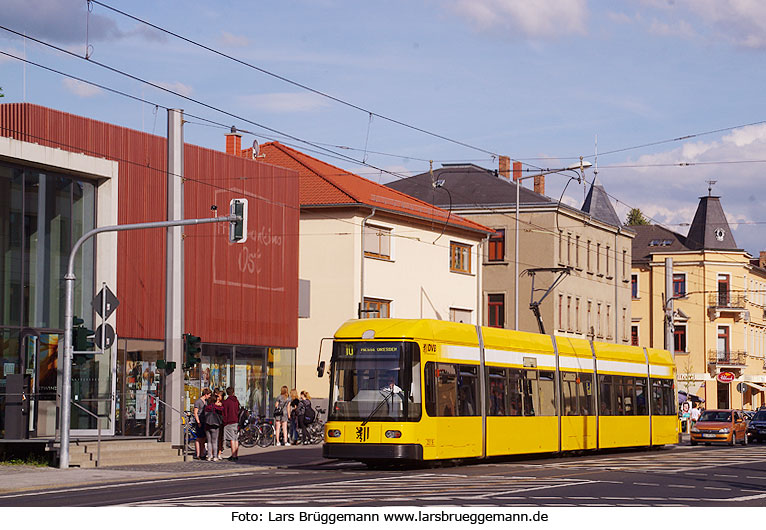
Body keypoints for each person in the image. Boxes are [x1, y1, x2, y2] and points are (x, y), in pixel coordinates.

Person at [204, 390, 224, 461]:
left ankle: (209, 456)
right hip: (215, 424)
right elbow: (222, 409)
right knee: (215, 441)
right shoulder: (216, 407)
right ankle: (215, 456)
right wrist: (218, 404)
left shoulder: (207, 407)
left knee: (209, 441)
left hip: (207, 425)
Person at [222, 386, 241, 461]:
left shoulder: (226, 402)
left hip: (229, 422)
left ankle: (233, 455)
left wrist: (224, 422)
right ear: (233, 392)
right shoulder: (236, 401)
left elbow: (225, 413)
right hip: (236, 421)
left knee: (232, 439)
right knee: (236, 439)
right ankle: (236, 454)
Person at [193, 388, 211, 459]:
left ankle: (202, 453)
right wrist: (198, 422)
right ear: (206, 394)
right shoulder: (198, 402)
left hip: (205, 421)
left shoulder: (205, 401)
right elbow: (195, 412)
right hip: (200, 421)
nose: (209, 396)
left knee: (203, 438)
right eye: (209, 395)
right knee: (199, 438)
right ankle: (198, 454)